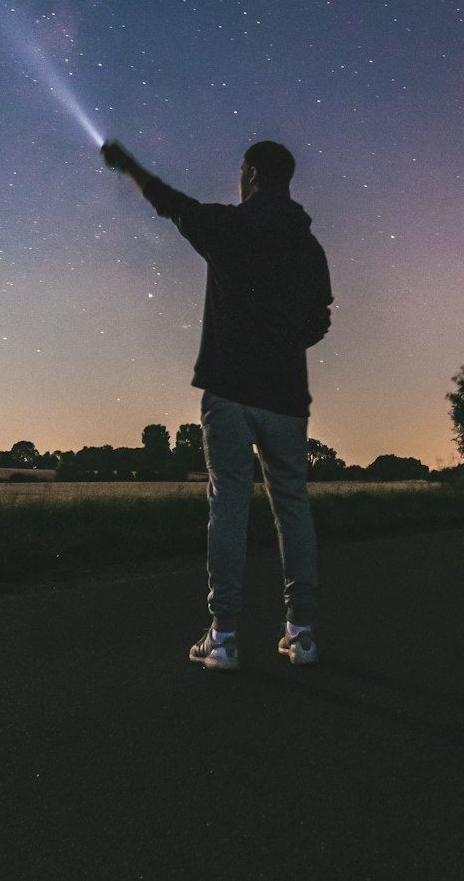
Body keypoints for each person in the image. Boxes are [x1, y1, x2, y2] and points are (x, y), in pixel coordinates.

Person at [101, 138, 333, 672]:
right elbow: (319, 321)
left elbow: (168, 202)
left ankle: (224, 638)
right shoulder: (309, 247)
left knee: (228, 505)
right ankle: (301, 634)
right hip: (286, 397)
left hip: (229, 392)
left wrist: (129, 164)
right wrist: (285, 340)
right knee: (292, 508)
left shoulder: (228, 227)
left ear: (250, 173)